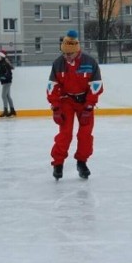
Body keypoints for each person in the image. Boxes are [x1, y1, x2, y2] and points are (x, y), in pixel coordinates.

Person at [47, 30, 103, 181]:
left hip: (85, 102)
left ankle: (82, 162)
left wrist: (89, 106)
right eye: (64, 53)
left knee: (85, 134)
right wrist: (56, 107)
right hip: (67, 101)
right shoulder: (58, 64)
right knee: (65, 134)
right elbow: (53, 86)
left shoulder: (89, 62)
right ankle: (58, 164)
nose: (66, 57)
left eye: (69, 54)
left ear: (77, 51)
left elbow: (96, 85)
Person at [0, 50, 16, 117]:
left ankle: (6, 111)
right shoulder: (1, 63)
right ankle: (12, 110)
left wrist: (4, 77)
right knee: (7, 96)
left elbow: (9, 73)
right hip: (6, 82)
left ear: (1, 56)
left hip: (7, 82)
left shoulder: (4, 64)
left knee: (3, 95)